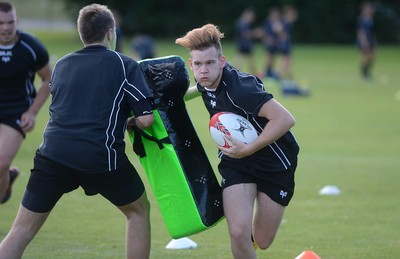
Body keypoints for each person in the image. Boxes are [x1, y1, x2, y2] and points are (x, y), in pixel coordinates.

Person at [0, 4, 154, 259]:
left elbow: (75, 105)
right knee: (137, 210)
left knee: (21, 230)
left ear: (82, 33)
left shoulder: (62, 64)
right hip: (100, 157)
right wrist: (129, 121)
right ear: (110, 33)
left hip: (52, 156)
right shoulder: (124, 64)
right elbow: (146, 120)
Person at [176, 24, 299, 259]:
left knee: (262, 241)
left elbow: (284, 119)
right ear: (191, 65)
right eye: (198, 64)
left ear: (222, 61)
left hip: (274, 164)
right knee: (238, 231)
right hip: (236, 162)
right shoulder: (204, 81)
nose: (204, 70)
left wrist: (249, 148)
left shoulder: (242, 88)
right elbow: (198, 90)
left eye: (210, 63)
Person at [0, 2, 52, 204]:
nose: (5, 28)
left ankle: (5, 175)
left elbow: (49, 79)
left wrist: (32, 112)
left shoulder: (31, 47)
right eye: (1, 23)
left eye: (10, 23)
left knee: (2, 162)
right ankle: (7, 180)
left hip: (16, 111)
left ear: (17, 22)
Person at [233, 7, 257, 75]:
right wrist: (255, 33)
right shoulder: (243, 23)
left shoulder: (241, 22)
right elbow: (245, 34)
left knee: (247, 58)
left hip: (242, 43)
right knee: (242, 57)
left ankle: (235, 70)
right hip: (243, 43)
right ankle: (235, 71)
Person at [356, 2, 376, 80]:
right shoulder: (361, 19)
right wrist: (364, 42)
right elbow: (361, 32)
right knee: (364, 57)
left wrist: (374, 41)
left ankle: (368, 72)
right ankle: (364, 74)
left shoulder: (371, 20)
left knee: (372, 57)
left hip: (371, 40)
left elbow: (373, 32)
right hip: (364, 40)